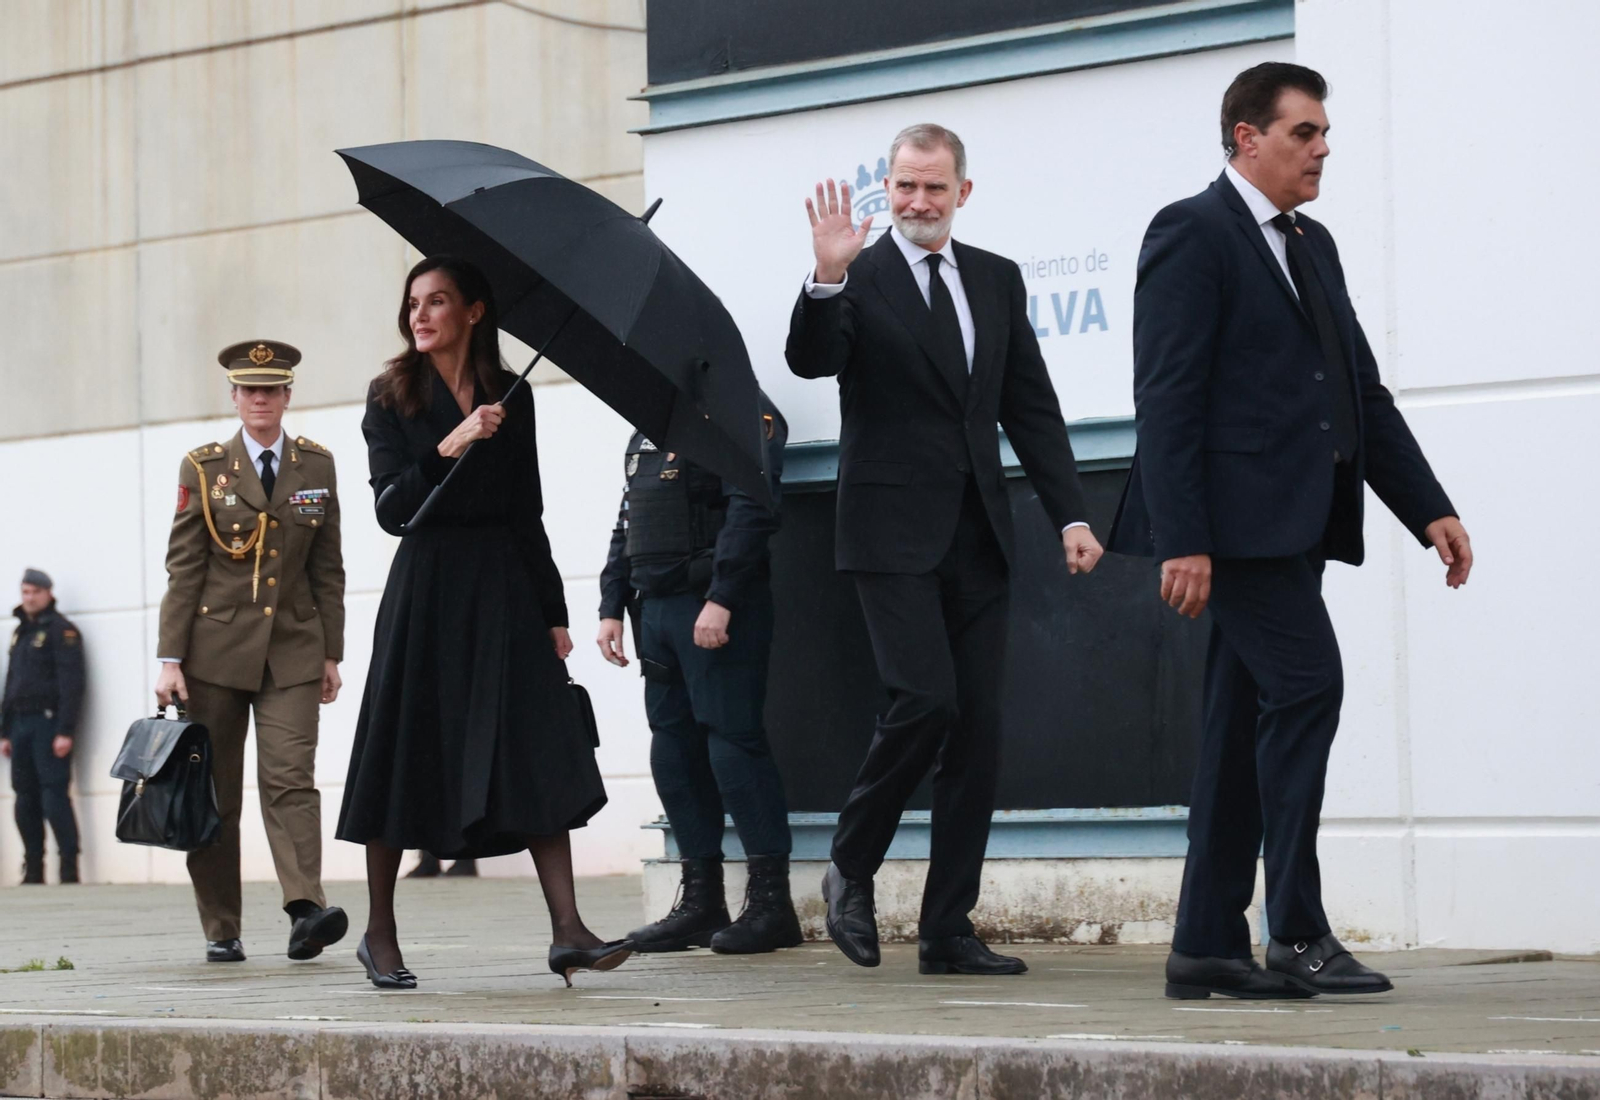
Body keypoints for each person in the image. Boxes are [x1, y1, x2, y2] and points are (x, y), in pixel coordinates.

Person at [1108, 63, 1473, 1000]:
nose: (1321, 149)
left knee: (1238, 730)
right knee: (1310, 686)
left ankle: (1204, 946)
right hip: (1229, 536)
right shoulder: (1191, 232)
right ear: (1246, 137)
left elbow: (1358, 389)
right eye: (1303, 132)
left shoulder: (1313, 244)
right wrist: (1184, 537)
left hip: (1293, 529)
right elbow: (1168, 393)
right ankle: (1297, 930)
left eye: (1322, 134)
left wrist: (1427, 504)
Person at [786, 124, 1103, 977]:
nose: (917, 203)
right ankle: (851, 864)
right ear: (884, 191)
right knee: (923, 701)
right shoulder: (858, 274)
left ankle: (947, 929)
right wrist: (825, 277)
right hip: (888, 535)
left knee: (978, 734)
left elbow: (1028, 405)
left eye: (934, 188)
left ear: (964, 191)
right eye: (903, 188)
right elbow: (812, 360)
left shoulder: (996, 280)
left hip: (979, 536)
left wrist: (1071, 514)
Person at [338, 255, 629, 990]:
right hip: (428, 591)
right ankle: (379, 932)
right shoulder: (391, 394)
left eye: (438, 302)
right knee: (403, 750)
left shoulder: (512, 394)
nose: (421, 315)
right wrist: (452, 444)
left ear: (473, 311)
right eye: (412, 304)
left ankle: (568, 930)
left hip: (503, 588)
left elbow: (526, 507)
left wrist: (553, 611)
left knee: (533, 745)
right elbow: (391, 510)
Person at [155, 341, 349, 964]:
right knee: (216, 793)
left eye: (272, 389)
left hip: (293, 648)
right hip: (214, 653)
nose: (261, 399)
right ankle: (221, 927)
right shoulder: (204, 468)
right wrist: (169, 659)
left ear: (288, 395)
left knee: (290, 779)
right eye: (249, 390)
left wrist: (332, 652)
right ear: (234, 398)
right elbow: (183, 569)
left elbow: (328, 567)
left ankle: (305, 912)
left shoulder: (316, 465)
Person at [596, 396, 801, 955]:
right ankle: (701, 903)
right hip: (656, 610)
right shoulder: (648, 428)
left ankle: (770, 905)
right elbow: (628, 521)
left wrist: (723, 596)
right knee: (673, 750)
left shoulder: (742, 416)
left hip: (713, 606)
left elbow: (753, 507)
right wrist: (611, 603)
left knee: (732, 746)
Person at [2, 569, 84, 885]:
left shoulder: (62, 631)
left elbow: (72, 684)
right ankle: (33, 867)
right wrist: (5, 731)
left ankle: (68, 868)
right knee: (24, 796)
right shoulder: (20, 632)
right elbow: (12, 684)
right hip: (20, 724)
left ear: (49, 593)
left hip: (49, 724)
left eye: (35, 591)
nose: (29, 598)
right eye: (24, 591)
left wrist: (66, 730)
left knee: (54, 795)